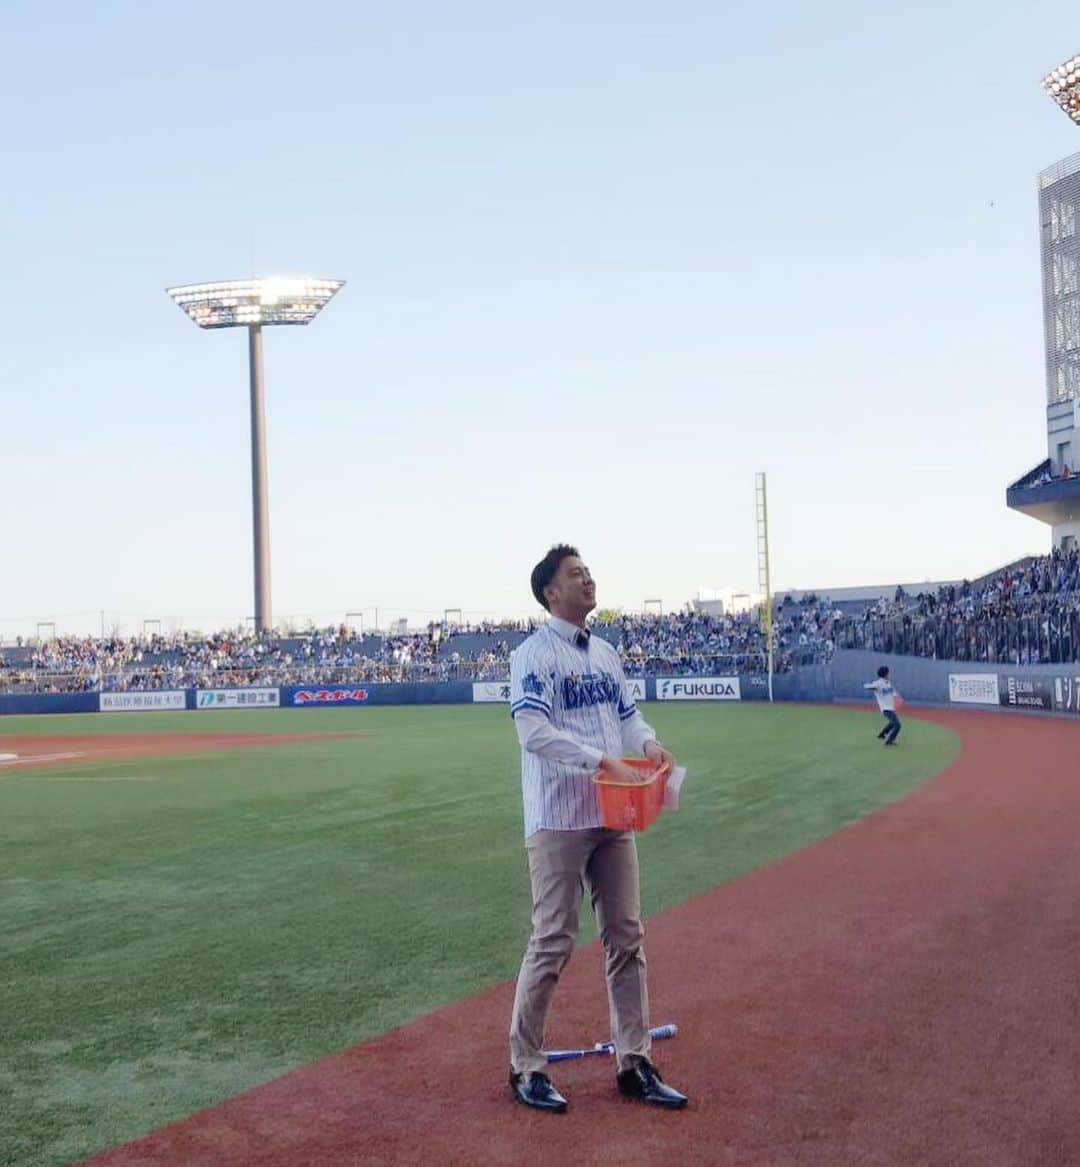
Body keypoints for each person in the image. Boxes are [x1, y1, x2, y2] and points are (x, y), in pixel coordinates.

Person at [506, 544, 688, 1113]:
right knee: (553, 940)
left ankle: (634, 1063)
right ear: (549, 593)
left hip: (614, 813)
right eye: (575, 574)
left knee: (626, 937)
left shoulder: (606, 653)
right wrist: (597, 759)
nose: (588, 580)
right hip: (559, 815)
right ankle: (525, 1067)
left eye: (588, 572)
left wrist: (648, 742)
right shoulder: (532, 655)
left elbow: (627, 715)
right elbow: (531, 730)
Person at [864, 664, 901, 745]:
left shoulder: (888, 683)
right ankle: (889, 741)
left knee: (892, 723)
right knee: (897, 725)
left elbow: (893, 692)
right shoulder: (879, 683)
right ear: (885, 674)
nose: (889, 675)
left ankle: (882, 734)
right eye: (888, 673)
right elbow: (867, 686)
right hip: (885, 708)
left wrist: (898, 698)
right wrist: (873, 688)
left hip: (891, 708)